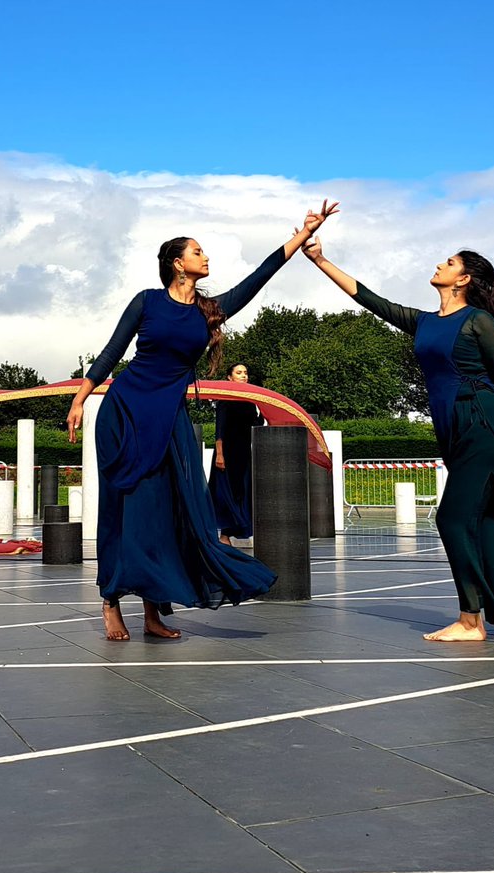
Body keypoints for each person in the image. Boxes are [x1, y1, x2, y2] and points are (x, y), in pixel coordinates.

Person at [302, 234, 494, 641]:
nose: (439, 265)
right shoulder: (425, 322)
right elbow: (370, 299)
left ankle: (470, 621)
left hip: (483, 422)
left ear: (463, 279)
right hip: (453, 428)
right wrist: (320, 260)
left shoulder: (478, 321)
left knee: (452, 517)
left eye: (449, 262)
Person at [67, 201, 338, 640]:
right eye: (197, 251)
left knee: (168, 512)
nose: (205, 257)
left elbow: (259, 276)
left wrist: (303, 235)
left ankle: (154, 610)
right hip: (127, 410)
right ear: (178, 264)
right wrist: (81, 399)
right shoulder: (147, 302)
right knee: (125, 508)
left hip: (169, 418)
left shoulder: (208, 311)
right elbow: (113, 350)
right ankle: (111, 599)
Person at [209, 362, 264, 545]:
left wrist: (264, 408)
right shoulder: (225, 399)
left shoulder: (250, 401)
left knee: (241, 493)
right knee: (226, 493)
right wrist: (219, 454)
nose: (243, 376)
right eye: (239, 373)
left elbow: (256, 425)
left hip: (243, 454)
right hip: (226, 453)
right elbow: (219, 430)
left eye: (245, 373)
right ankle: (223, 535)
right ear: (229, 377)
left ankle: (230, 533)